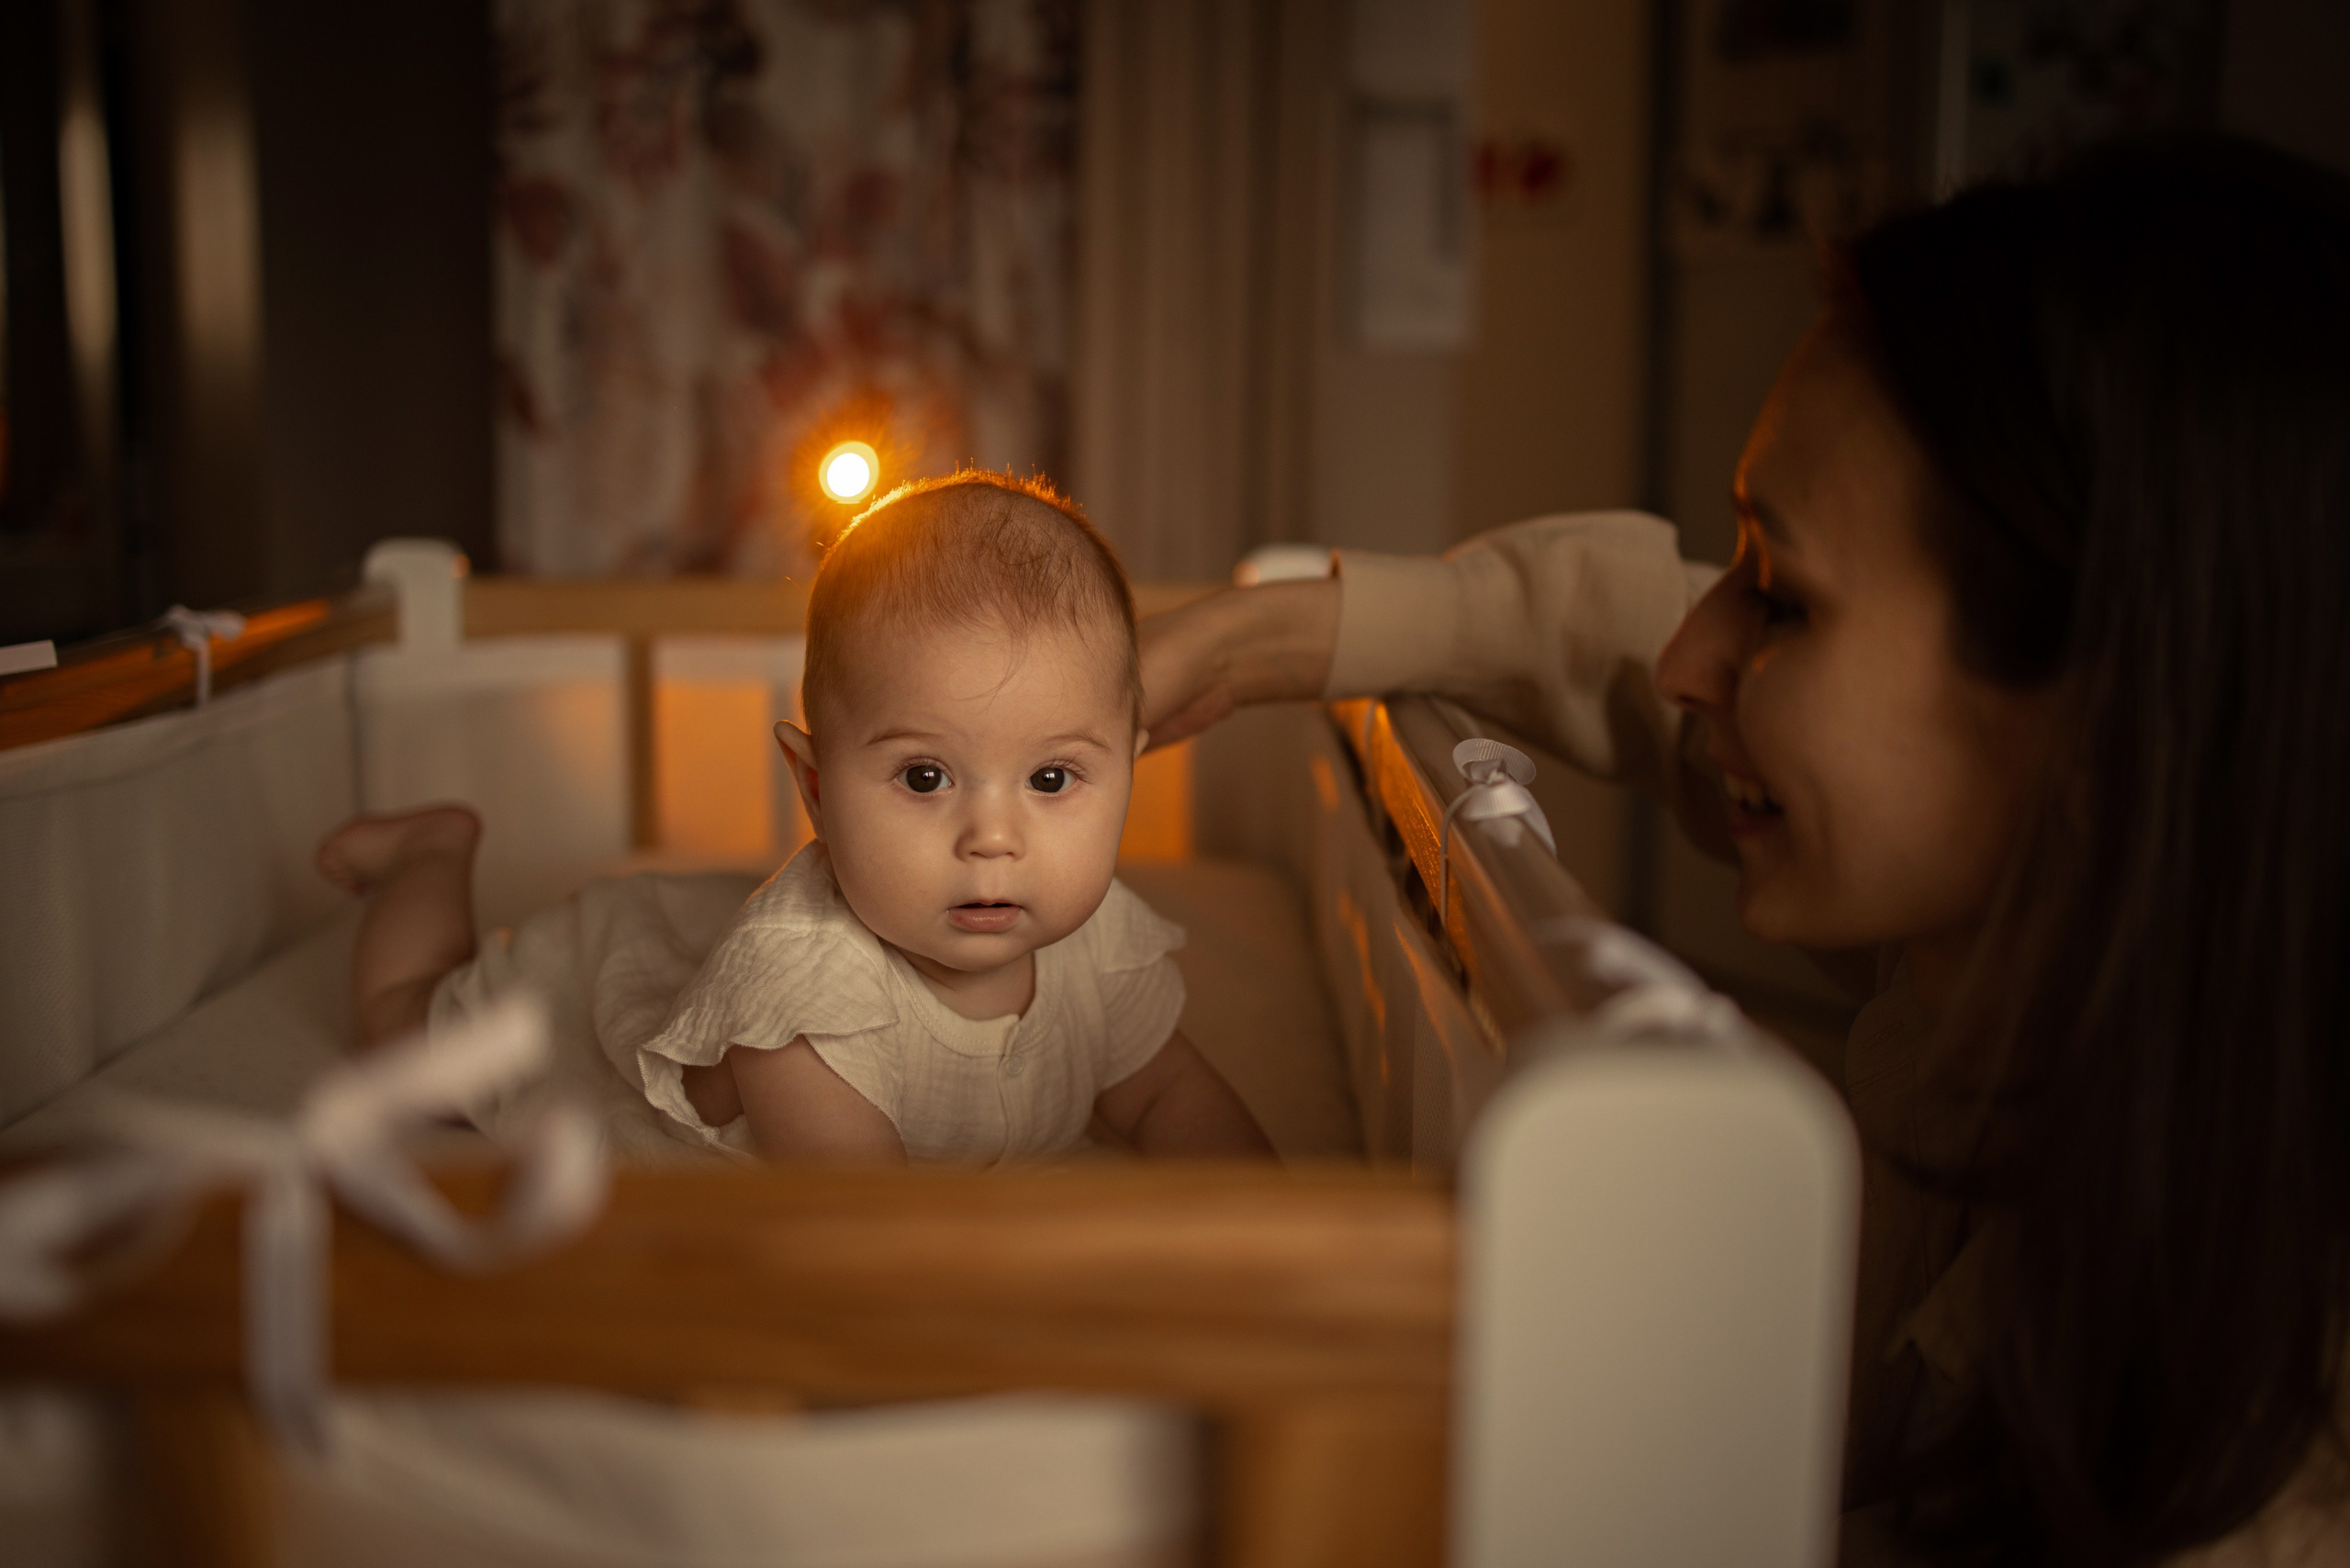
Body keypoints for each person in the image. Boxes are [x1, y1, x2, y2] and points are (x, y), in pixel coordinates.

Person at [1140, 136, 2350, 1563]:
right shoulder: (2038, 938)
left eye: (1779, 599)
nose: (1689, 659)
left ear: (2106, 725)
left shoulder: (2266, 1478)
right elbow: (1613, 630)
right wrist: (1266, 636)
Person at [319, 471, 1272, 1165]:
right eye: (926, 776)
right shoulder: (805, 1009)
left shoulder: (1094, 945)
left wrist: (1266, 1241)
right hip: (582, 995)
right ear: (814, 786)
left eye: (1052, 778)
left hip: (702, 927)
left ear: (1128, 768)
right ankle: (429, 853)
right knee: (402, 1034)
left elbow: (1170, 1101)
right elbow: (872, 1257)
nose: (993, 837)